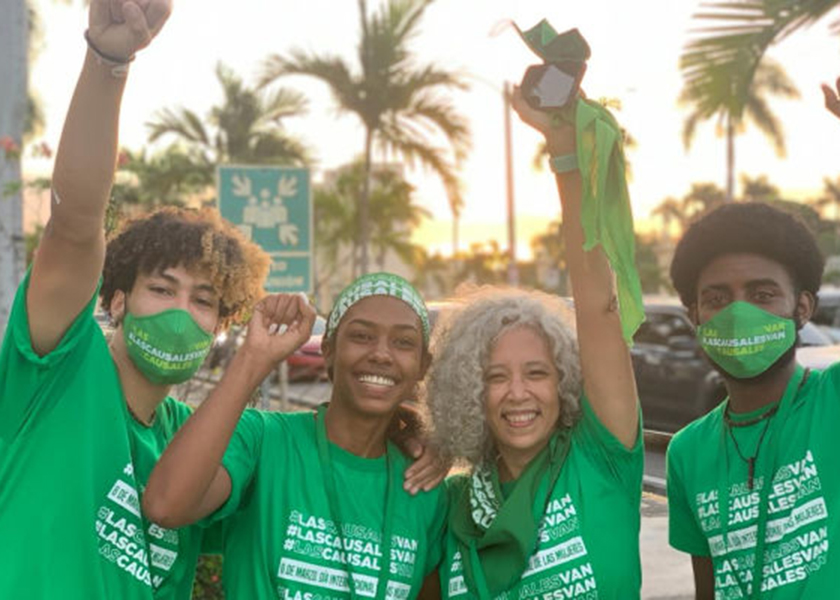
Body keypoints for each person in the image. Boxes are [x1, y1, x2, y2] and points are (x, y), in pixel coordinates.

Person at [0, 1, 276, 598]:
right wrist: (109, 61)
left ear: (221, 325)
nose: (182, 311)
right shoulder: (59, 366)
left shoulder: (193, 440)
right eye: (161, 288)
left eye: (204, 300)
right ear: (117, 301)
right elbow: (75, 222)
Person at [422, 85, 643, 599]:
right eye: (495, 377)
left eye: (536, 373)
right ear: (469, 393)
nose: (517, 392)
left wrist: (564, 153)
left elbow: (598, 306)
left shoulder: (600, 457)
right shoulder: (450, 501)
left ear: (564, 382)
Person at [143, 272, 449, 599]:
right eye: (361, 336)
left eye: (403, 342)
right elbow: (165, 506)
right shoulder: (263, 440)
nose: (381, 354)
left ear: (422, 365)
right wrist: (254, 357)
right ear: (328, 350)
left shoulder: (425, 487)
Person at [665, 87, 840, 600]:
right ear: (694, 315)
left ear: (802, 308)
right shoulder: (686, 451)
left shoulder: (832, 403)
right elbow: (709, 589)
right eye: (718, 297)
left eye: (763, 294)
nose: (739, 313)